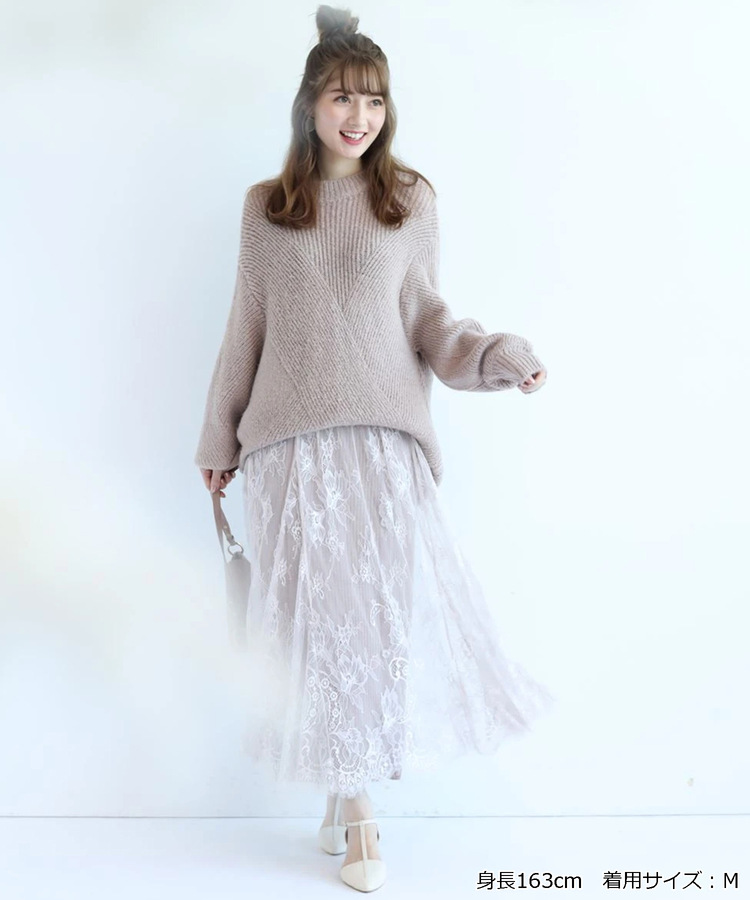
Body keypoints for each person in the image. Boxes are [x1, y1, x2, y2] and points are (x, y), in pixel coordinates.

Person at [194, 4, 555, 892]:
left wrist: (497, 357)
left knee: (373, 630)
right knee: (319, 631)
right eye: (342, 98)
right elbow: (244, 330)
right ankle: (359, 815)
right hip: (288, 453)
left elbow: (431, 320)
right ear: (309, 104)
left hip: (385, 452)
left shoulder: (410, 201)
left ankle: (343, 794)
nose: (359, 116)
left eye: (374, 100)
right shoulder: (266, 209)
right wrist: (217, 437)